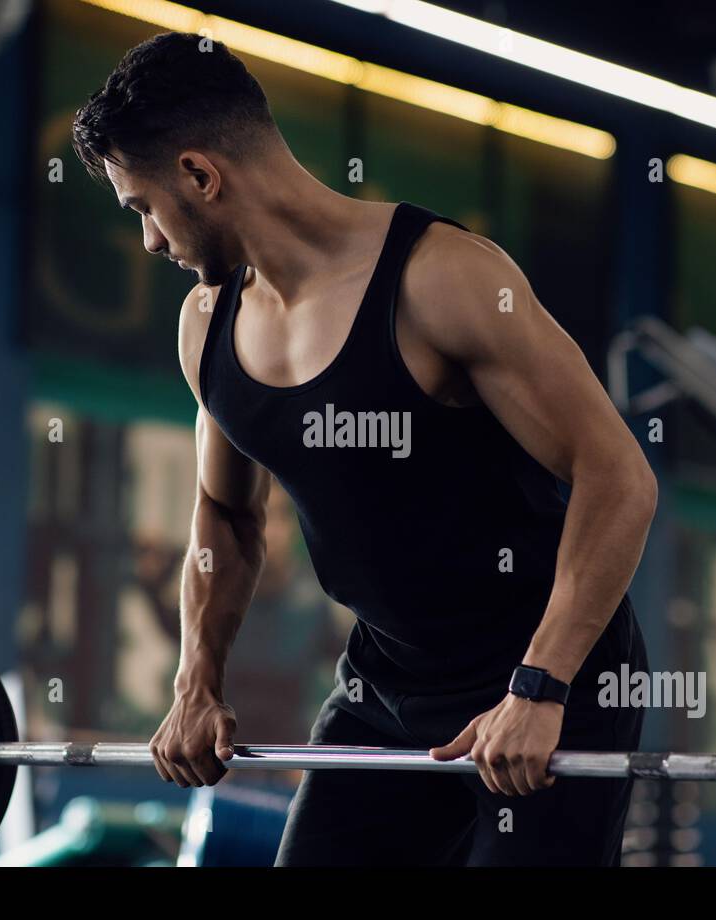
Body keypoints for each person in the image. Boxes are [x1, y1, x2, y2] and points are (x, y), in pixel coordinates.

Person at [72, 32, 656, 865]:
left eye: (143, 208)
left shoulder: (443, 280)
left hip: (550, 674)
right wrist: (196, 684)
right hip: (386, 683)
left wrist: (541, 684)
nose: (150, 244)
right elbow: (227, 514)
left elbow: (618, 477)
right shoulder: (207, 326)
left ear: (201, 176)